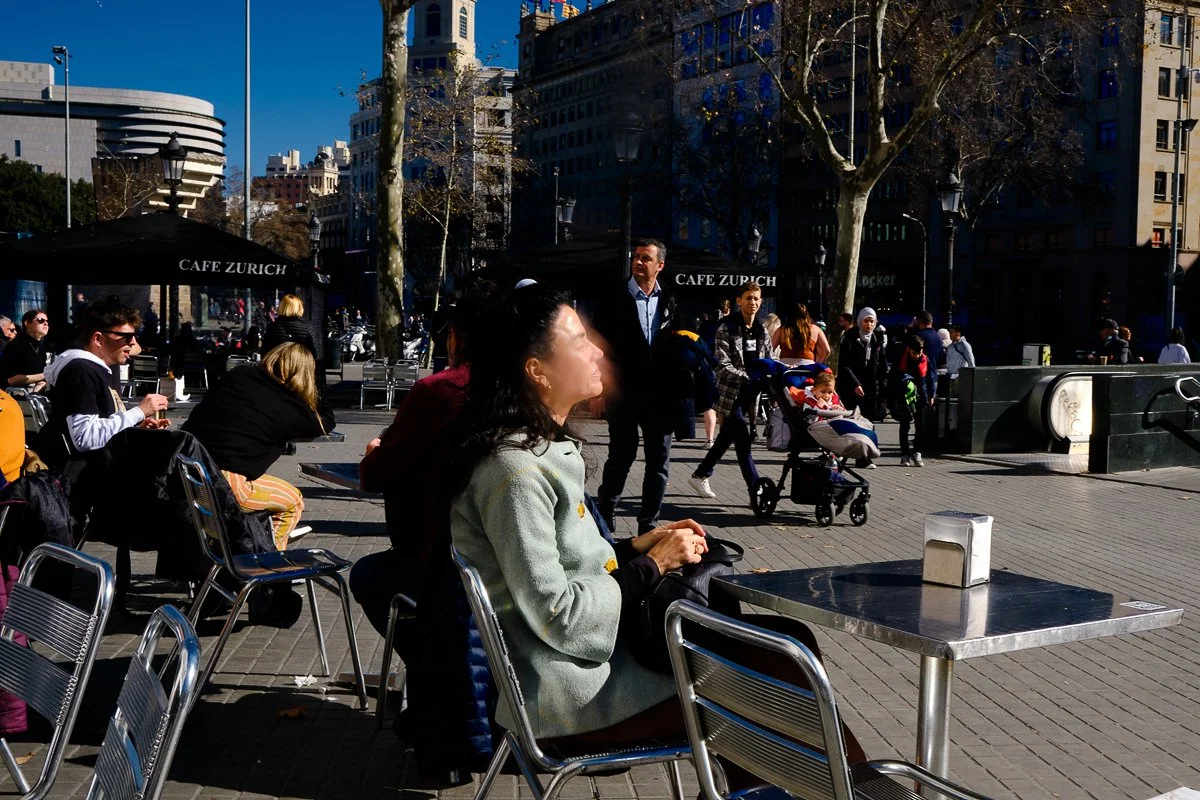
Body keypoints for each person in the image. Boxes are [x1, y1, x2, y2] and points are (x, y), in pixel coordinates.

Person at [448, 282, 866, 763]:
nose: (596, 349)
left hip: (601, 663)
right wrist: (655, 565)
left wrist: (637, 547)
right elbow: (556, 614)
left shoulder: (535, 453)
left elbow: (562, 565)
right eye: (579, 340)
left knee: (791, 648)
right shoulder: (515, 473)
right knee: (783, 669)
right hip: (575, 695)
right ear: (537, 371)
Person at [182, 343, 333, 549]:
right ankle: (271, 565)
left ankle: (247, 546)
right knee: (293, 501)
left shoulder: (238, 375)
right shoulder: (290, 407)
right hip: (226, 483)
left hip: (189, 472)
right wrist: (313, 389)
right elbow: (325, 421)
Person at [590, 239, 676, 534]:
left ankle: (648, 523)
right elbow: (597, 345)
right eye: (636, 257)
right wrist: (600, 388)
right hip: (624, 391)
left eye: (646, 258)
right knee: (621, 455)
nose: (639, 262)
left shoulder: (670, 299)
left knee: (659, 461)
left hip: (660, 394)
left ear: (660, 265)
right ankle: (607, 507)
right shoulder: (615, 297)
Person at [36, 300, 169, 470]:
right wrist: (139, 412)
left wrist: (132, 427)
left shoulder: (93, 369)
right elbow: (84, 438)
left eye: (135, 336)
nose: (133, 343)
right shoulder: (81, 370)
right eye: (126, 337)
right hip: (81, 482)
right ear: (98, 338)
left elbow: (100, 424)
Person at [688, 281, 769, 501]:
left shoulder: (762, 329)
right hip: (729, 393)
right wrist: (746, 376)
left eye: (756, 298)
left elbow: (769, 359)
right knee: (742, 440)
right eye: (748, 298)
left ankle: (700, 474)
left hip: (751, 395)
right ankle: (755, 489)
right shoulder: (727, 327)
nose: (752, 302)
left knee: (726, 438)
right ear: (739, 301)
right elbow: (722, 363)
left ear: (761, 302)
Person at [651, 315, 717, 443]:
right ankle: (709, 438)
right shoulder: (695, 338)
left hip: (669, 383)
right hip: (694, 381)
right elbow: (708, 356)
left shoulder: (667, 338)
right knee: (709, 407)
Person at [836, 307, 888, 468]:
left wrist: (882, 386)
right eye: (866, 321)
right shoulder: (850, 337)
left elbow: (881, 364)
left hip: (871, 386)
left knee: (867, 422)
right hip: (852, 386)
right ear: (860, 321)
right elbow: (844, 364)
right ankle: (840, 455)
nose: (869, 325)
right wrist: (855, 384)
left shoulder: (876, 339)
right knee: (850, 421)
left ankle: (863, 457)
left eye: (872, 321)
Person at [891, 335, 935, 468]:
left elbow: (931, 377)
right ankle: (904, 454)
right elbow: (893, 378)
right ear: (909, 350)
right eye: (914, 353)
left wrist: (931, 394)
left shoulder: (925, 360)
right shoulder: (901, 360)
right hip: (904, 396)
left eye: (919, 352)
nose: (917, 355)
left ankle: (917, 452)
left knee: (920, 425)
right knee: (905, 424)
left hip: (920, 395)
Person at [0, 310, 50, 392]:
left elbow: (41, 377)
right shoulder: (16, 346)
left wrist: (38, 388)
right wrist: (46, 375)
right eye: (41, 320)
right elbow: (10, 380)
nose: (46, 323)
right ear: (27, 323)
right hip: (14, 396)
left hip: (34, 394)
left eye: (47, 321)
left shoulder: (41, 346)